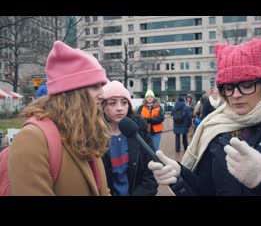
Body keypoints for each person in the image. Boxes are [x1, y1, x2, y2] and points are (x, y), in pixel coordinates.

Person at [148, 38, 261, 196]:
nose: (235, 95)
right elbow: (206, 189)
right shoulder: (216, 128)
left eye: (246, 85)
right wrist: (180, 176)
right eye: (228, 87)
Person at [8, 40, 111, 196]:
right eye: (95, 86)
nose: (103, 95)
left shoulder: (86, 131)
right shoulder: (32, 138)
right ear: (73, 92)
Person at [101, 80, 158, 196]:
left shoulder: (139, 130)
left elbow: (151, 172)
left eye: (124, 103)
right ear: (102, 107)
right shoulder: (93, 136)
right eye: (112, 103)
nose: (120, 108)